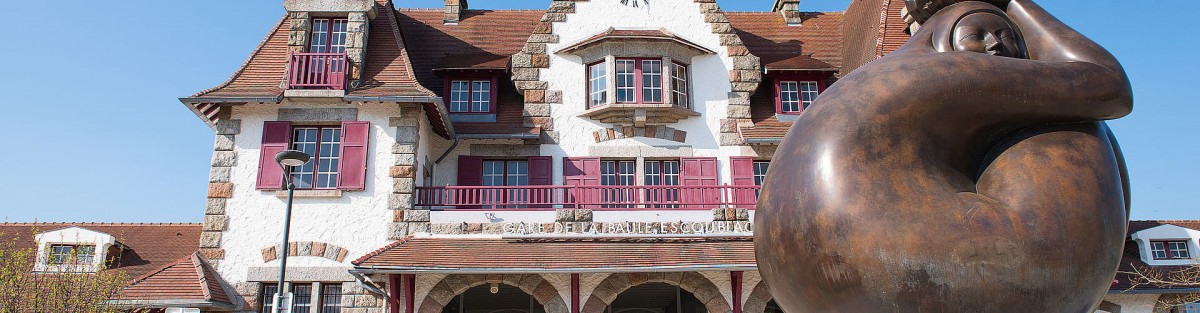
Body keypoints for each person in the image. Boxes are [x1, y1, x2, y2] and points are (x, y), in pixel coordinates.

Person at [754, 0, 1133, 312]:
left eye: (1006, 35)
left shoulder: (887, 77)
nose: (997, 46)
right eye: (976, 35)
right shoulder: (939, 73)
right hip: (996, 266)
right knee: (1075, 125)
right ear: (942, 41)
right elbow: (1106, 81)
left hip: (826, 279)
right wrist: (1012, 4)